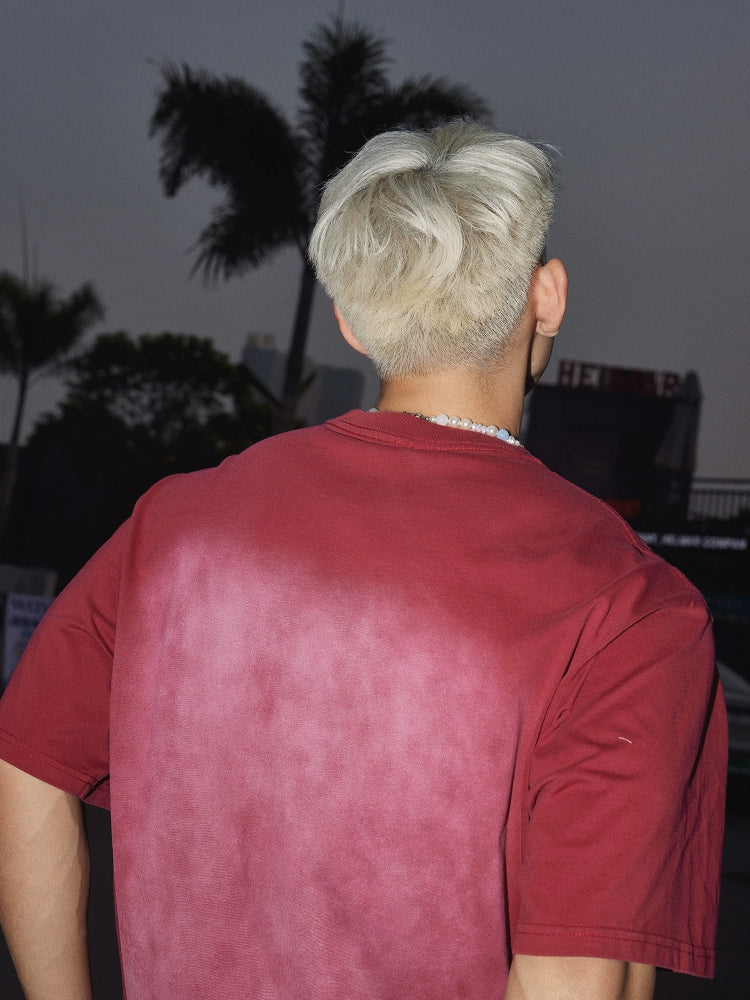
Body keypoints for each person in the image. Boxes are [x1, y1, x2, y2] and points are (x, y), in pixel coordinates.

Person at [0, 120, 726, 1000]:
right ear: (548, 296)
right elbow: (574, 973)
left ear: (350, 319)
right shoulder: (628, 606)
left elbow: (24, 763)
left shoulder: (176, 529)